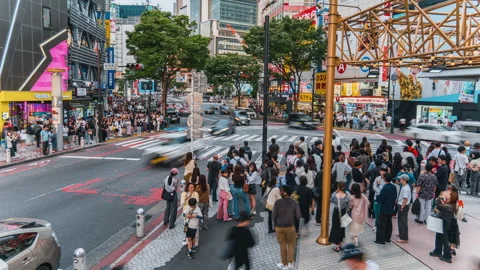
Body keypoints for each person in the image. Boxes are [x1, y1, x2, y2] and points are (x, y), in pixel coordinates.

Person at [272, 185, 301, 270]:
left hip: (279, 227)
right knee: (291, 244)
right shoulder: (293, 202)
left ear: (284, 192)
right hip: (290, 227)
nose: (280, 192)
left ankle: (284, 264)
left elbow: (273, 216)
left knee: (282, 244)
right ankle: (290, 263)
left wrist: (274, 227)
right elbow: (298, 216)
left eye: (281, 190)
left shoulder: (277, 203)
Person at [430, 189, 458, 263]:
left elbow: (438, 205)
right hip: (443, 222)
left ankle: (447, 256)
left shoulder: (449, 206)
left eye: (449, 193)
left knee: (445, 239)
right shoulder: (450, 205)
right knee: (439, 236)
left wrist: (440, 197)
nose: (446, 193)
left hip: (446, 224)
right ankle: (437, 251)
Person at [374, 173, 398, 245]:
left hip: (384, 208)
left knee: (381, 224)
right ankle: (387, 238)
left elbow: (380, 198)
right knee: (389, 223)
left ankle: (381, 240)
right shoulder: (394, 187)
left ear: (384, 179)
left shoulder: (385, 188)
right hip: (391, 207)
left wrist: (378, 195)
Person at [329, 181, 351, 252]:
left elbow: (331, 200)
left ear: (338, 187)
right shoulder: (347, 194)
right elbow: (349, 202)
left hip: (336, 212)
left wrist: (336, 191)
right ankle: (340, 243)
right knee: (342, 228)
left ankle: (337, 246)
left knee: (335, 228)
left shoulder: (335, 195)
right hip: (344, 212)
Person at [396, 174, 411, 243]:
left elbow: (405, 199)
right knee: (401, 220)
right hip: (402, 205)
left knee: (403, 221)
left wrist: (402, 206)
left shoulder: (406, 188)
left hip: (403, 206)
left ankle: (404, 238)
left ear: (404, 180)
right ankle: (401, 233)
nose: (400, 180)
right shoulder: (404, 186)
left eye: (401, 179)